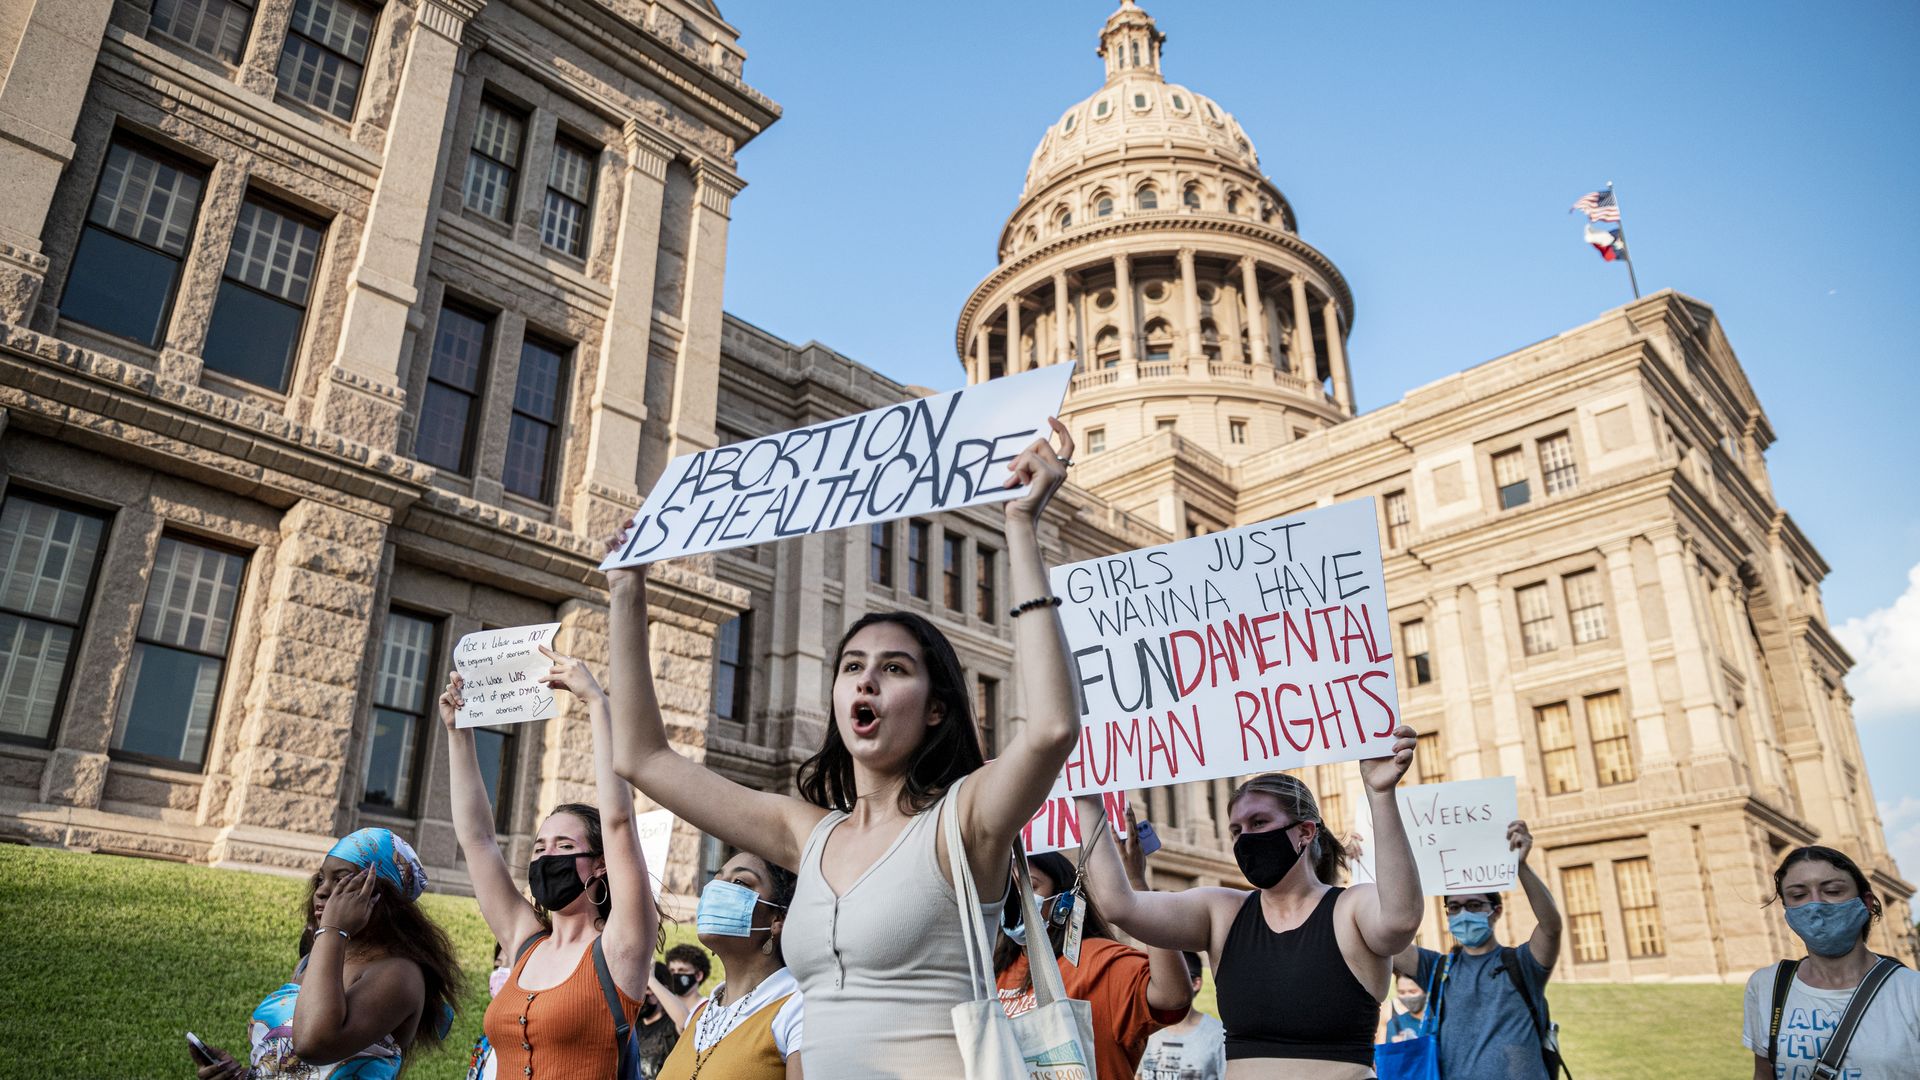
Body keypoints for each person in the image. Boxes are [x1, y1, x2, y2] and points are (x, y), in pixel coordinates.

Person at [607, 421, 1082, 1078]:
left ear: (935, 706)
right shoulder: (807, 832)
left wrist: (1022, 533)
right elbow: (643, 757)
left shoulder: (963, 821)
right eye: (852, 665)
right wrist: (627, 589)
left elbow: (1054, 728)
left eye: (894, 668)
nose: (866, 678)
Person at [1075, 758, 1424, 1080]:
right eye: (1237, 830)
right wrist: (1090, 802)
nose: (1246, 838)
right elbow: (1120, 907)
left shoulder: (1350, 908)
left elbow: (1400, 921)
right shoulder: (1223, 911)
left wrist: (1380, 793)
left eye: (1259, 822)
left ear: (1305, 832)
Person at [439, 646, 658, 1079]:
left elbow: (617, 822)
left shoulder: (620, 947)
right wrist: (457, 732)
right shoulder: (524, 942)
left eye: (562, 846)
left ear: (599, 866)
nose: (546, 857)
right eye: (539, 849)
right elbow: (478, 840)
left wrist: (597, 703)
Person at [192, 828, 463, 1080]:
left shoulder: (399, 974)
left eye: (341, 880)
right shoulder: (310, 963)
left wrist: (333, 929)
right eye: (321, 879)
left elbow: (314, 1043)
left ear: (380, 895)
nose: (322, 890)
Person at [995, 819, 1192, 1080]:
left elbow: (1173, 997)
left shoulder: (1100, 961)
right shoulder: (996, 971)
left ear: (1063, 897)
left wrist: (1138, 887)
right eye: (1009, 889)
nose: (1017, 899)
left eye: (1031, 886)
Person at [1390, 820, 1562, 1080]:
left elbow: (1551, 927)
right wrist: (1364, 873)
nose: (1463, 914)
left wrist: (1521, 866)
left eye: (1473, 905)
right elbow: (1385, 939)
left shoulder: (1523, 964)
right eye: (1455, 908)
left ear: (1496, 911)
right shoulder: (1436, 969)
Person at [1742, 845, 1920, 1079]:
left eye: (1833, 891)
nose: (1816, 904)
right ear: (1787, 909)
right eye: (1798, 895)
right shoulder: (1766, 985)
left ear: (1866, 903)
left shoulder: (1912, 990)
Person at [659, 851, 806, 1080]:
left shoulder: (798, 1008)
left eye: (740, 882)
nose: (717, 891)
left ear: (778, 918)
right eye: (717, 881)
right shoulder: (700, 1015)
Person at [1134, 952, 1225, 1080]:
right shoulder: (1145, 1029)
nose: (1165, 987)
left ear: (1196, 983)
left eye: (1173, 979)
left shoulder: (1217, 1034)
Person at [634, 962, 682, 1076]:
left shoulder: (671, 1026)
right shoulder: (633, 1027)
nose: (642, 994)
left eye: (647, 989)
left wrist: (651, 979)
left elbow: (685, 1023)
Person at [663, 943, 714, 1024]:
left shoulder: (708, 1010)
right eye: (672, 971)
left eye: (682, 970)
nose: (675, 975)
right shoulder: (664, 1006)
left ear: (698, 976)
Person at [1383, 973, 1428, 1043]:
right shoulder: (1395, 1024)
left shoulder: (1439, 1021)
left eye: (1412, 992)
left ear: (1425, 991)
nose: (1407, 997)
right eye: (1402, 992)